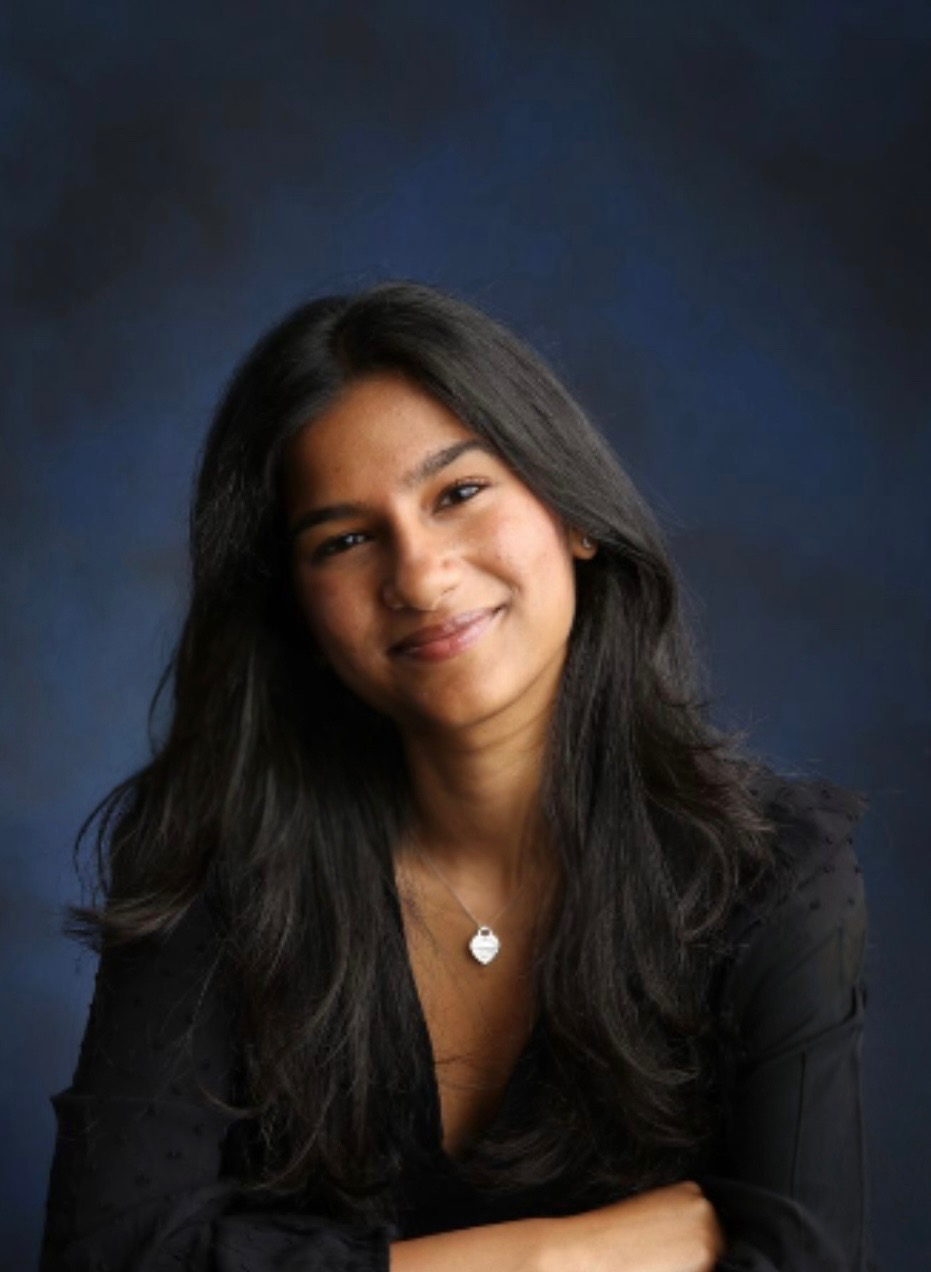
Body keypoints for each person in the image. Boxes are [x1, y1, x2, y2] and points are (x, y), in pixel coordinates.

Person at [40, 280, 873, 1272]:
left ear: (572, 512)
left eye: (458, 493)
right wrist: (552, 1261)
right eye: (343, 540)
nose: (421, 575)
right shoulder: (212, 862)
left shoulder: (772, 872)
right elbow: (110, 1256)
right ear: (297, 612)